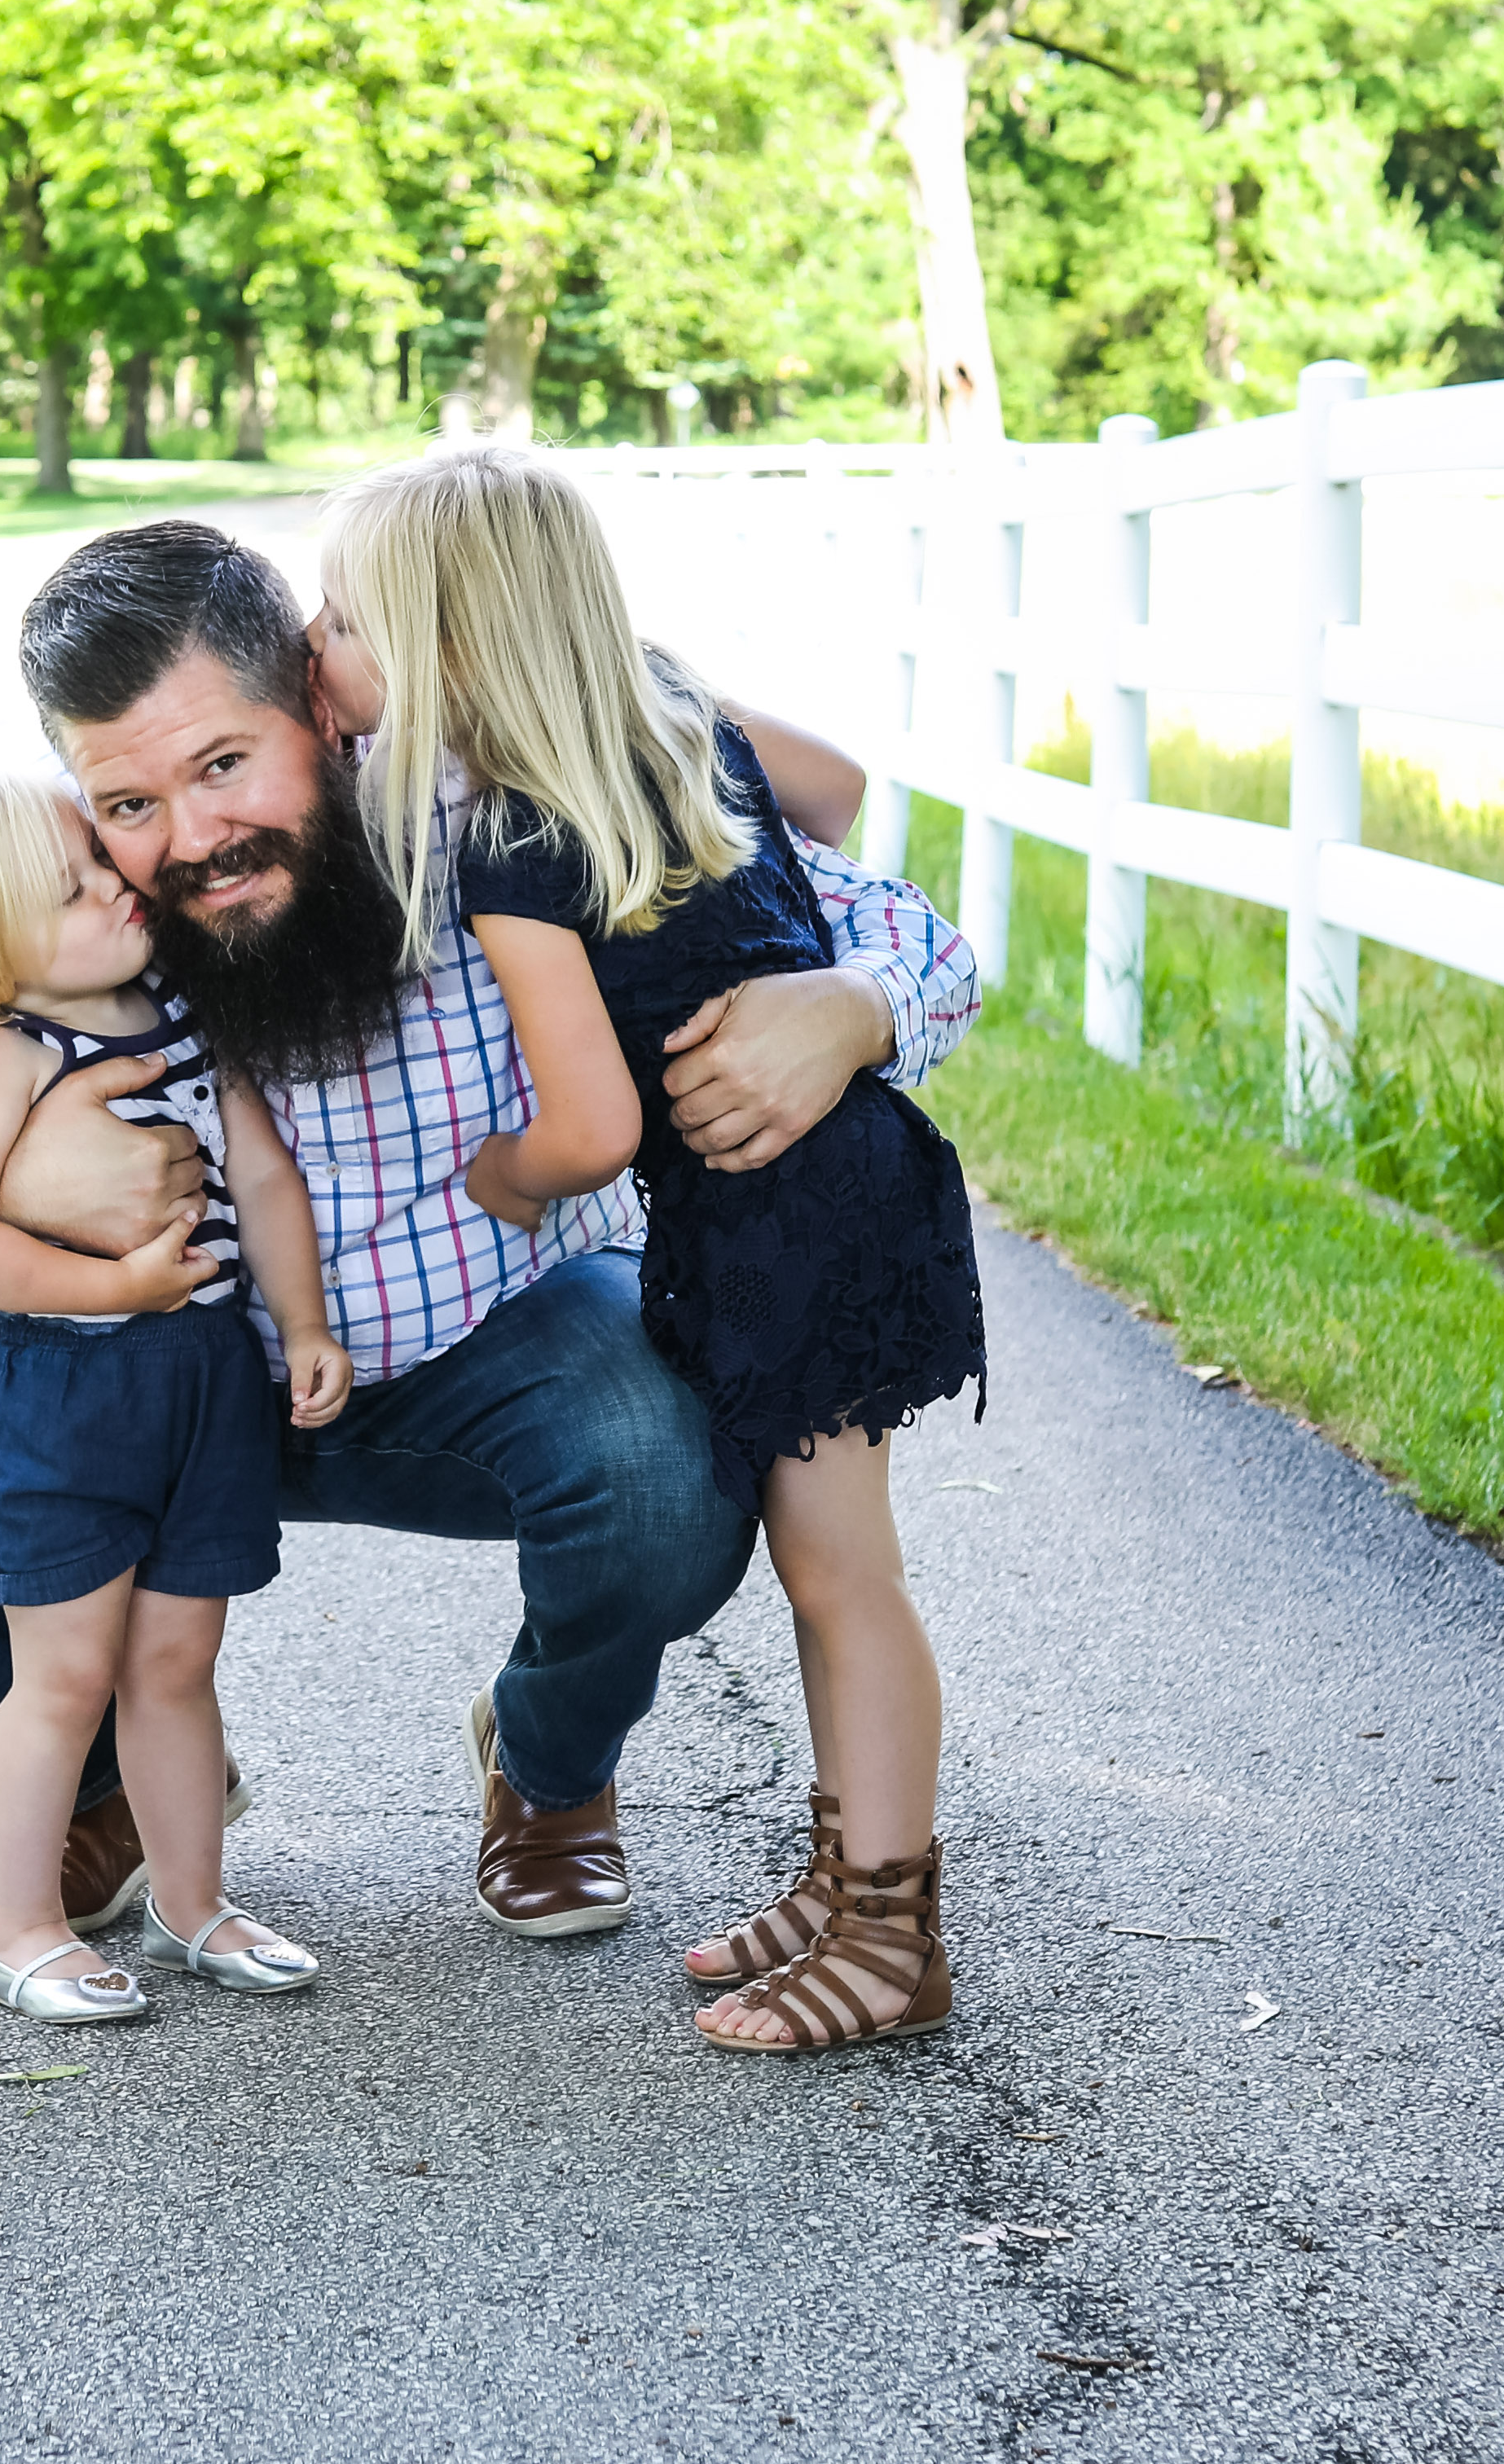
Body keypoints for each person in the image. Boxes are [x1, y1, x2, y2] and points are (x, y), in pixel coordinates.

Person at [0, 515, 975, 1954]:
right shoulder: (72, 891)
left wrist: (856, 1009)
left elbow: (898, 924)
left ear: (314, 693)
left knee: (660, 1466)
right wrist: (21, 1180)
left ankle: (545, 1766)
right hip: (140, 1361)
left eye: (222, 765)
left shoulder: (483, 809)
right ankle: (108, 1778)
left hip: (486, 1335)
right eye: (126, 800)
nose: (188, 839)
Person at [307, 442, 983, 2054]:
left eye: (341, 619)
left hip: (777, 1213)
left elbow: (595, 1125)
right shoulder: (665, 712)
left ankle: (889, 1929)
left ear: (444, 653)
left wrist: (507, 1172)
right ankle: (841, 1884)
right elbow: (832, 788)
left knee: (841, 1580)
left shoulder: (508, 847)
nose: (315, 648)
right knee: (838, 1572)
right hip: (850, 1177)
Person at [0, 767, 350, 2023]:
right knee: (60, 1675)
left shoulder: (175, 1006)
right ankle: (19, 1926)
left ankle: (191, 1901)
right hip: (58, 1390)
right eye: (71, 891)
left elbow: (261, 1172)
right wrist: (116, 1284)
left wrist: (305, 1321)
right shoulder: (2, 1054)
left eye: (97, 866)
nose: (118, 888)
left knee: (177, 1657)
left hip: (204, 1378)